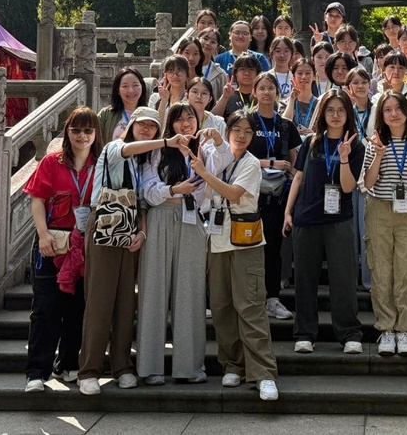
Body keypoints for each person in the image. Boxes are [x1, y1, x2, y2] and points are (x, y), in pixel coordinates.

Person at [188, 110, 280, 401]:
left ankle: (263, 373)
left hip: (245, 243)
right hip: (217, 241)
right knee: (221, 307)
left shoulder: (251, 163)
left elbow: (233, 193)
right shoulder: (218, 157)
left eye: (247, 132)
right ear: (227, 131)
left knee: (250, 305)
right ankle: (232, 365)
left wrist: (204, 173)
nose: (241, 136)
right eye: (236, 130)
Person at [77, 106, 159, 395]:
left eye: (153, 126)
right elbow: (125, 150)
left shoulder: (142, 163)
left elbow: (142, 204)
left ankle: (122, 365)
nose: (147, 129)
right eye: (142, 124)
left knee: (126, 302)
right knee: (100, 299)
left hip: (130, 229)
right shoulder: (115, 147)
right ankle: (89, 369)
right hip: (105, 224)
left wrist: (142, 232)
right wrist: (165, 142)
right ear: (131, 125)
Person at [23, 106, 101, 392]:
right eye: (76, 130)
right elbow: (37, 199)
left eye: (88, 130)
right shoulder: (51, 162)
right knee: (46, 308)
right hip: (53, 242)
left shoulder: (101, 165)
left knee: (78, 307)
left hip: (86, 245)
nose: (82, 136)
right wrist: (42, 234)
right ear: (67, 132)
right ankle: (36, 372)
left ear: (96, 133)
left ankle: (68, 364)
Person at [283, 90, 365, 354]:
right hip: (306, 218)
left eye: (341, 110)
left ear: (348, 114)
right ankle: (305, 333)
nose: (335, 115)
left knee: (343, 279)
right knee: (305, 280)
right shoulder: (311, 142)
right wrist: (288, 211)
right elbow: (298, 177)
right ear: (323, 113)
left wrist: (344, 157)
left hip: (339, 220)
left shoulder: (356, 145)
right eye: (330, 110)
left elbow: (348, 186)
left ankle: (349, 333)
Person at [134, 102, 210, 385]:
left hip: (192, 220)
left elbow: (213, 183)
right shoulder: (158, 151)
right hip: (159, 219)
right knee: (153, 290)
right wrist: (175, 189)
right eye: (179, 119)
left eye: (190, 117)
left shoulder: (204, 150)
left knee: (190, 293)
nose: (185, 123)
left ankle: (189, 366)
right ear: (170, 124)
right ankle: (150, 366)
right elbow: (149, 191)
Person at [361, 91, 407, 357]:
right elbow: (368, 183)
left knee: (405, 270)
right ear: (381, 115)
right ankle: (385, 328)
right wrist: (379, 154)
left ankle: (404, 328)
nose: (394, 114)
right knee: (381, 270)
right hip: (379, 208)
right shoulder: (375, 141)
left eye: (398, 108)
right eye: (387, 109)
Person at [248, 73, 302, 320]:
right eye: (262, 88)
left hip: (277, 196)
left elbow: (294, 162)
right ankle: (250, 297)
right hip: (249, 194)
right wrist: (268, 163)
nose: (267, 92)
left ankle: (272, 298)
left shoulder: (285, 125)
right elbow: (236, 155)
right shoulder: (246, 121)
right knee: (249, 248)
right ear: (254, 92)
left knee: (273, 248)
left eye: (271, 88)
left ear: (277, 93)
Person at [345, 66, 374, 289]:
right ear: (349, 88)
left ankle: (368, 280)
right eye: (355, 82)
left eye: (364, 82)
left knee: (368, 230)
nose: (360, 86)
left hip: (372, 175)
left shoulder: (379, 109)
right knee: (350, 230)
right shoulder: (345, 112)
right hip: (349, 173)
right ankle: (351, 279)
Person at [98, 68, 147, 144]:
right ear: (118, 90)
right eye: (125, 86)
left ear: (142, 87)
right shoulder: (106, 114)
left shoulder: (148, 114)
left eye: (135, 85)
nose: (131, 90)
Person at [211, 52, 260, 118]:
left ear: (257, 73)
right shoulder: (229, 95)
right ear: (235, 73)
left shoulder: (262, 95)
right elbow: (212, 119)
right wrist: (225, 97)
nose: (247, 73)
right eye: (242, 69)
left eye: (251, 69)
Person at [283, 58, 318, 138]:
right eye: (299, 73)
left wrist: (313, 134)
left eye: (308, 73)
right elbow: (284, 126)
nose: (304, 77)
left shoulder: (320, 104)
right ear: (293, 77)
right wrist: (292, 100)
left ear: (314, 76)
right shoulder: (285, 103)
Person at [197, 28, 228, 102]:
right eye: (205, 39)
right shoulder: (187, 68)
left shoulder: (220, 74)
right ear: (197, 39)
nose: (208, 43)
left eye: (213, 42)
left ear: (217, 47)